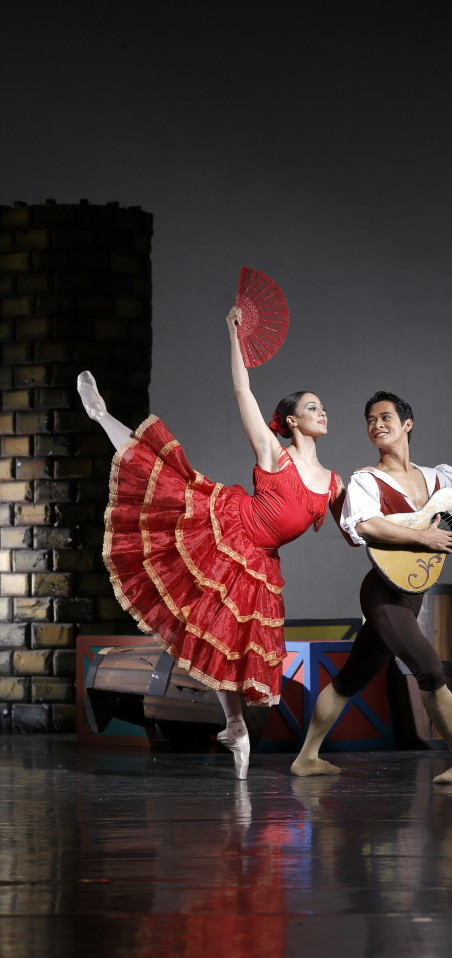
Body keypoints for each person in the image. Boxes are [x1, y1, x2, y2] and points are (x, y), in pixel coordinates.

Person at [77, 305, 345, 780]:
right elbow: (243, 390)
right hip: (228, 527)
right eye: (311, 406)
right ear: (291, 420)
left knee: (230, 639)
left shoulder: (333, 482)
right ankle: (102, 416)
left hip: (262, 561)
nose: (322, 411)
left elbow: (359, 528)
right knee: (163, 476)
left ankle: (235, 726)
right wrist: (234, 334)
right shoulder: (273, 451)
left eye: (322, 406)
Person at [291, 390, 452, 784]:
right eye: (370, 420)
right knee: (430, 669)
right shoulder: (366, 480)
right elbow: (366, 525)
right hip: (383, 592)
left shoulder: (440, 478)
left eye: (385, 417)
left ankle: (306, 758)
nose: (376, 424)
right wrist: (425, 538)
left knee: (350, 678)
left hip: (412, 591)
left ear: (407, 424)